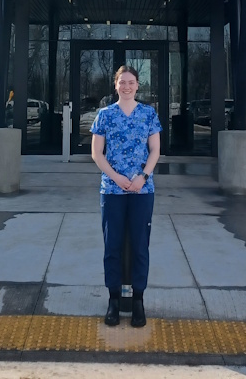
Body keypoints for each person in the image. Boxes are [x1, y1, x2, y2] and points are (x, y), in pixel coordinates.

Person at [91, 65, 161, 328]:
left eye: (131, 82)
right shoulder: (105, 115)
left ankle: (139, 301)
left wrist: (142, 176)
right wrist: (116, 178)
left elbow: (155, 150)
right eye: (122, 82)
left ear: (138, 85)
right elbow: (97, 153)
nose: (127, 86)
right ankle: (114, 300)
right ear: (115, 85)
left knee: (140, 244)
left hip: (142, 190)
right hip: (112, 190)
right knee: (113, 245)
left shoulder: (148, 114)